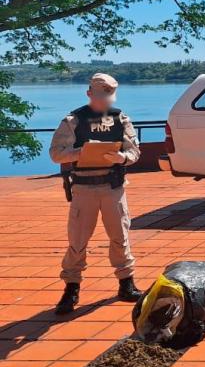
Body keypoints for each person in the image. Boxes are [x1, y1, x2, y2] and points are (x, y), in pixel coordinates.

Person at [49, 73, 143, 314]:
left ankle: (126, 283)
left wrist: (123, 157)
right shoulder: (74, 120)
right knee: (78, 241)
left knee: (120, 236)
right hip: (84, 188)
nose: (105, 98)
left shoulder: (121, 119)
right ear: (89, 93)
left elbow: (134, 152)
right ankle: (71, 288)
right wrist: (80, 152)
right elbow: (56, 153)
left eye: (109, 94)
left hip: (113, 187)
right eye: (100, 93)